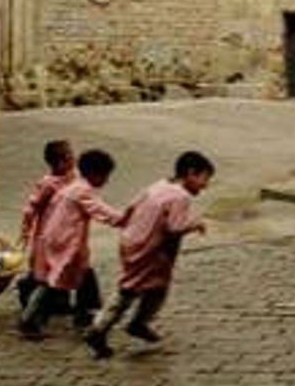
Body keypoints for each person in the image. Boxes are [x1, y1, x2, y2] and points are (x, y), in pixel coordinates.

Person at [85, 151, 213, 359]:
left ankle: (135, 323)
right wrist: (195, 224)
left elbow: (132, 206)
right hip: (150, 248)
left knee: (153, 287)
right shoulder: (180, 196)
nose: (205, 185)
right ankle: (101, 328)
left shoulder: (159, 185)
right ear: (190, 173)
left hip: (132, 240)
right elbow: (174, 227)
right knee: (131, 290)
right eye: (204, 179)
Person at [19, 149, 126, 337]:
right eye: (105, 176)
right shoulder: (82, 191)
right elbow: (103, 212)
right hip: (65, 244)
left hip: (58, 240)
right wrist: (127, 219)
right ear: (95, 174)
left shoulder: (74, 186)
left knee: (80, 275)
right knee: (53, 284)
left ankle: (84, 313)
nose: (106, 181)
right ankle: (29, 319)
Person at [16, 139, 77, 311]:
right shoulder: (48, 184)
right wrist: (25, 230)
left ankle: (61, 301)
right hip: (47, 236)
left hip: (66, 234)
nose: (74, 158)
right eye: (71, 155)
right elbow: (31, 208)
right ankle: (27, 287)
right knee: (45, 270)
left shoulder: (72, 177)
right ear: (59, 163)